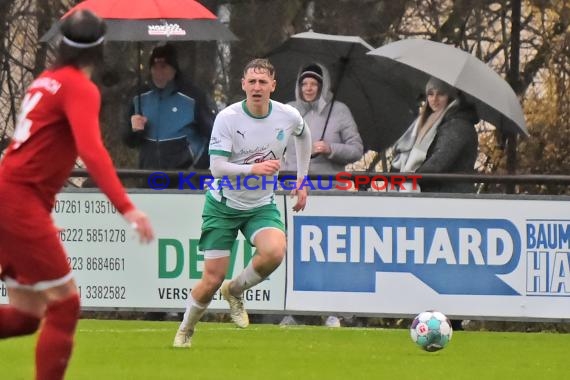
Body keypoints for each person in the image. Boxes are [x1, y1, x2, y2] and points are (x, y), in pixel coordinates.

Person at [0, 10, 154, 380]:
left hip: (14, 196)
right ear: (101, 48)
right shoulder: (79, 87)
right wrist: (128, 207)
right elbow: (93, 150)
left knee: (24, 316)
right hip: (18, 200)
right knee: (65, 306)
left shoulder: (46, 80)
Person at [172, 58, 312, 348]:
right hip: (223, 205)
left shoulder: (287, 115)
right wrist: (253, 169)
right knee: (211, 280)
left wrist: (302, 180)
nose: (257, 87)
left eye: (263, 82)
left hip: (260, 205)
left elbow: (304, 134)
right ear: (243, 85)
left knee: (275, 251)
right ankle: (186, 329)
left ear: (273, 85)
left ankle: (234, 291)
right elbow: (217, 168)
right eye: (252, 81)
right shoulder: (228, 118)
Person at [281, 62, 363, 328]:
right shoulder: (286, 111)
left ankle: (331, 309)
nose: (308, 89)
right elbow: (272, 145)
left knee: (324, 252)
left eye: (314, 84)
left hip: (328, 192)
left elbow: (356, 149)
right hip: (292, 190)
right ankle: (293, 311)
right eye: (304, 84)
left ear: (322, 86)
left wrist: (329, 148)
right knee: (292, 251)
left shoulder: (339, 112)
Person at [123, 43, 216, 186]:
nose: (158, 72)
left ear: (174, 69)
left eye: (164, 67)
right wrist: (134, 131)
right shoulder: (138, 97)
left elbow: (215, 136)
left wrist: (197, 168)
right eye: (154, 67)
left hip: (185, 180)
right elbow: (129, 141)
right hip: (148, 178)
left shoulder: (193, 97)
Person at [390, 77, 479, 193]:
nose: (434, 99)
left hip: (451, 195)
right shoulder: (427, 123)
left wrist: (409, 179)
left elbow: (438, 164)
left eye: (441, 94)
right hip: (436, 193)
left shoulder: (458, 124)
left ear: (450, 96)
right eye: (430, 94)